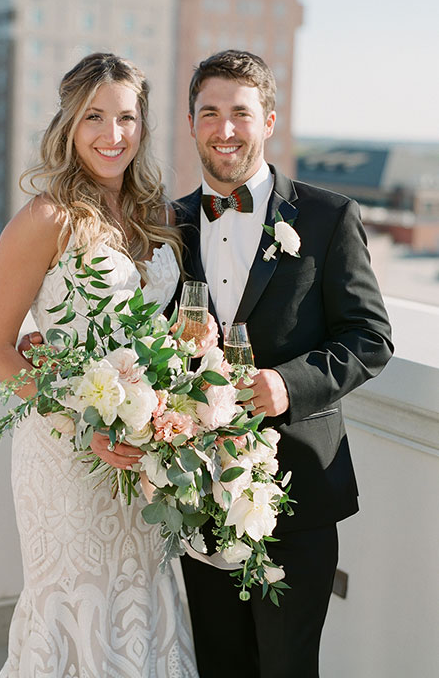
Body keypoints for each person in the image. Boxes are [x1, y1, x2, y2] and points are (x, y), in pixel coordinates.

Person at [0, 52, 200, 677]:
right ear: (69, 125)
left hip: (141, 451)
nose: (113, 134)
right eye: (95, 117)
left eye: (127, 118)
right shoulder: (45, 219)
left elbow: (159, 333)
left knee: (143, 601)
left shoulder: (156, 217)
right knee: (74, 608)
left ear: (143, 125)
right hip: (65, 458)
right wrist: (84, 426)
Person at [176, 49, 394, 678]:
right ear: (191, 122)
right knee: (218, 663)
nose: (224, 129)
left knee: (288, 666)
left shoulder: (328, 218)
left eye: (240, 113)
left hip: (297, 490)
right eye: (209, 112)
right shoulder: (167, 225)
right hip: (195, 490)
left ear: (268, 121)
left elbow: (370, 336)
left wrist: (286, 385)